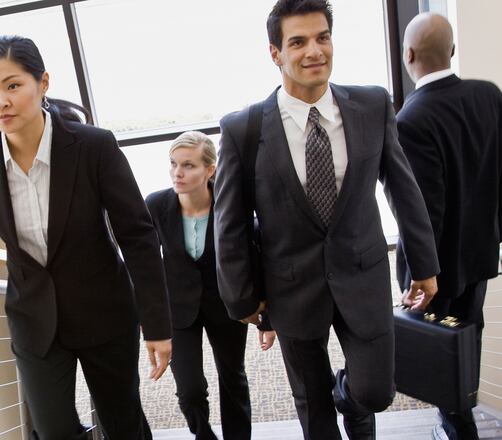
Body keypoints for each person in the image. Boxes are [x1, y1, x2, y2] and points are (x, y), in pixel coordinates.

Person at [214, 1, 441, 439]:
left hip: (363, 273)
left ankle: (348, 397)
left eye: (323, 37)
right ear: (275, 53)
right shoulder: (244, 128)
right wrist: (243, 298)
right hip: (291, 287)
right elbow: (231, 223)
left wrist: (424, 264)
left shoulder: (373, 105)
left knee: (375, 393)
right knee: (313, 409)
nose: (314, 51)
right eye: (298, 42)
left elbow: (403, 188)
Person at [0, 35, 173, 440]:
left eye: (13, 85)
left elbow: (137, 236)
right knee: (52, 431)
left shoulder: (93, 147)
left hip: (103, 312)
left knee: (122, 425)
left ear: (42, 83)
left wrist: (157, 324)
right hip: (34, 319)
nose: (0, 102)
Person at [396, 12, 502, 440]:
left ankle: (460, 429)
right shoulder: (489, 95)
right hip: (481, 250)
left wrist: (415, 276)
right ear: (452, 51)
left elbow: (423, 211)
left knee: (443, 354)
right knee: (469, 336)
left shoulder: (411, 119)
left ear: (408, 55)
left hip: (439, 267)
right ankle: (463, 417)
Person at [145, 131, 275, 440]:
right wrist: (150, 321)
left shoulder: (233, 206)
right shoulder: (156, 205)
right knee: (189, 388)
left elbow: (257, 261)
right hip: (177, 309)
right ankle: (203, 434)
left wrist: (266, 317)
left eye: (188, 165)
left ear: (210, 170)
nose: (178, 172)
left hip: (228, 305)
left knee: (233, 378)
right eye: (173, 164)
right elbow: (145, 266)